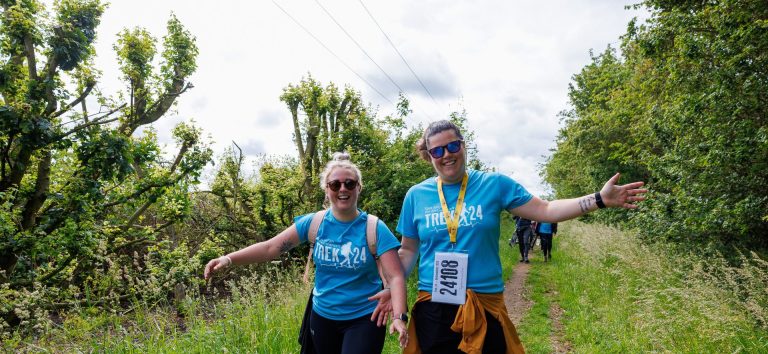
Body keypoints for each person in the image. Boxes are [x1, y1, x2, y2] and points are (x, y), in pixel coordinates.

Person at [373, 120, 647, 354]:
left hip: (484, 303)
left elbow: (546, 210)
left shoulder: (494, 185)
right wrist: (389, 286)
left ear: (463, 146)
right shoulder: (416, 195)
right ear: (429, 155)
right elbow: (408, 251)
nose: (447, 154)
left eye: (453, 146)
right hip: (434, 304)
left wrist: (598, 199)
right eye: (437, 150)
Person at [204, 152, 409, 353]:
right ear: (326, 190)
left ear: (359, 188)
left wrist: (399, 317)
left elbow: (396, 276)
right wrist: (229, 259)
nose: (343, 189)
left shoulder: (374, 227)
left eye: (350, 183)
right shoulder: (313, 223)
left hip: (364, 318)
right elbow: (270, 248)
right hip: (322, 317)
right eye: (335, 184)